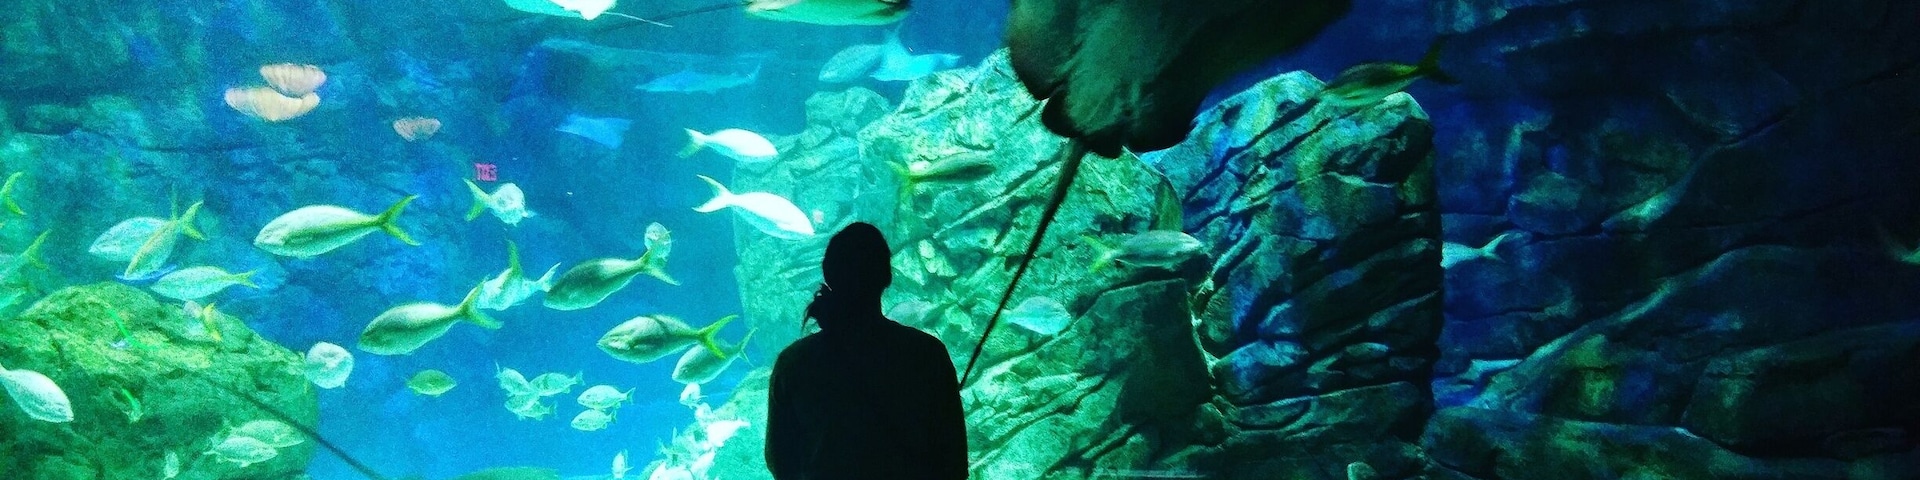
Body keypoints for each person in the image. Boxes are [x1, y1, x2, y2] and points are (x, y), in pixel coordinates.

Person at [766, 222, 969, 480]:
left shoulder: (793, 363)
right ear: (887, 277)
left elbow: (779, 460)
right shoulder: (927, 355)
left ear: (829, 275)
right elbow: (954, 462)